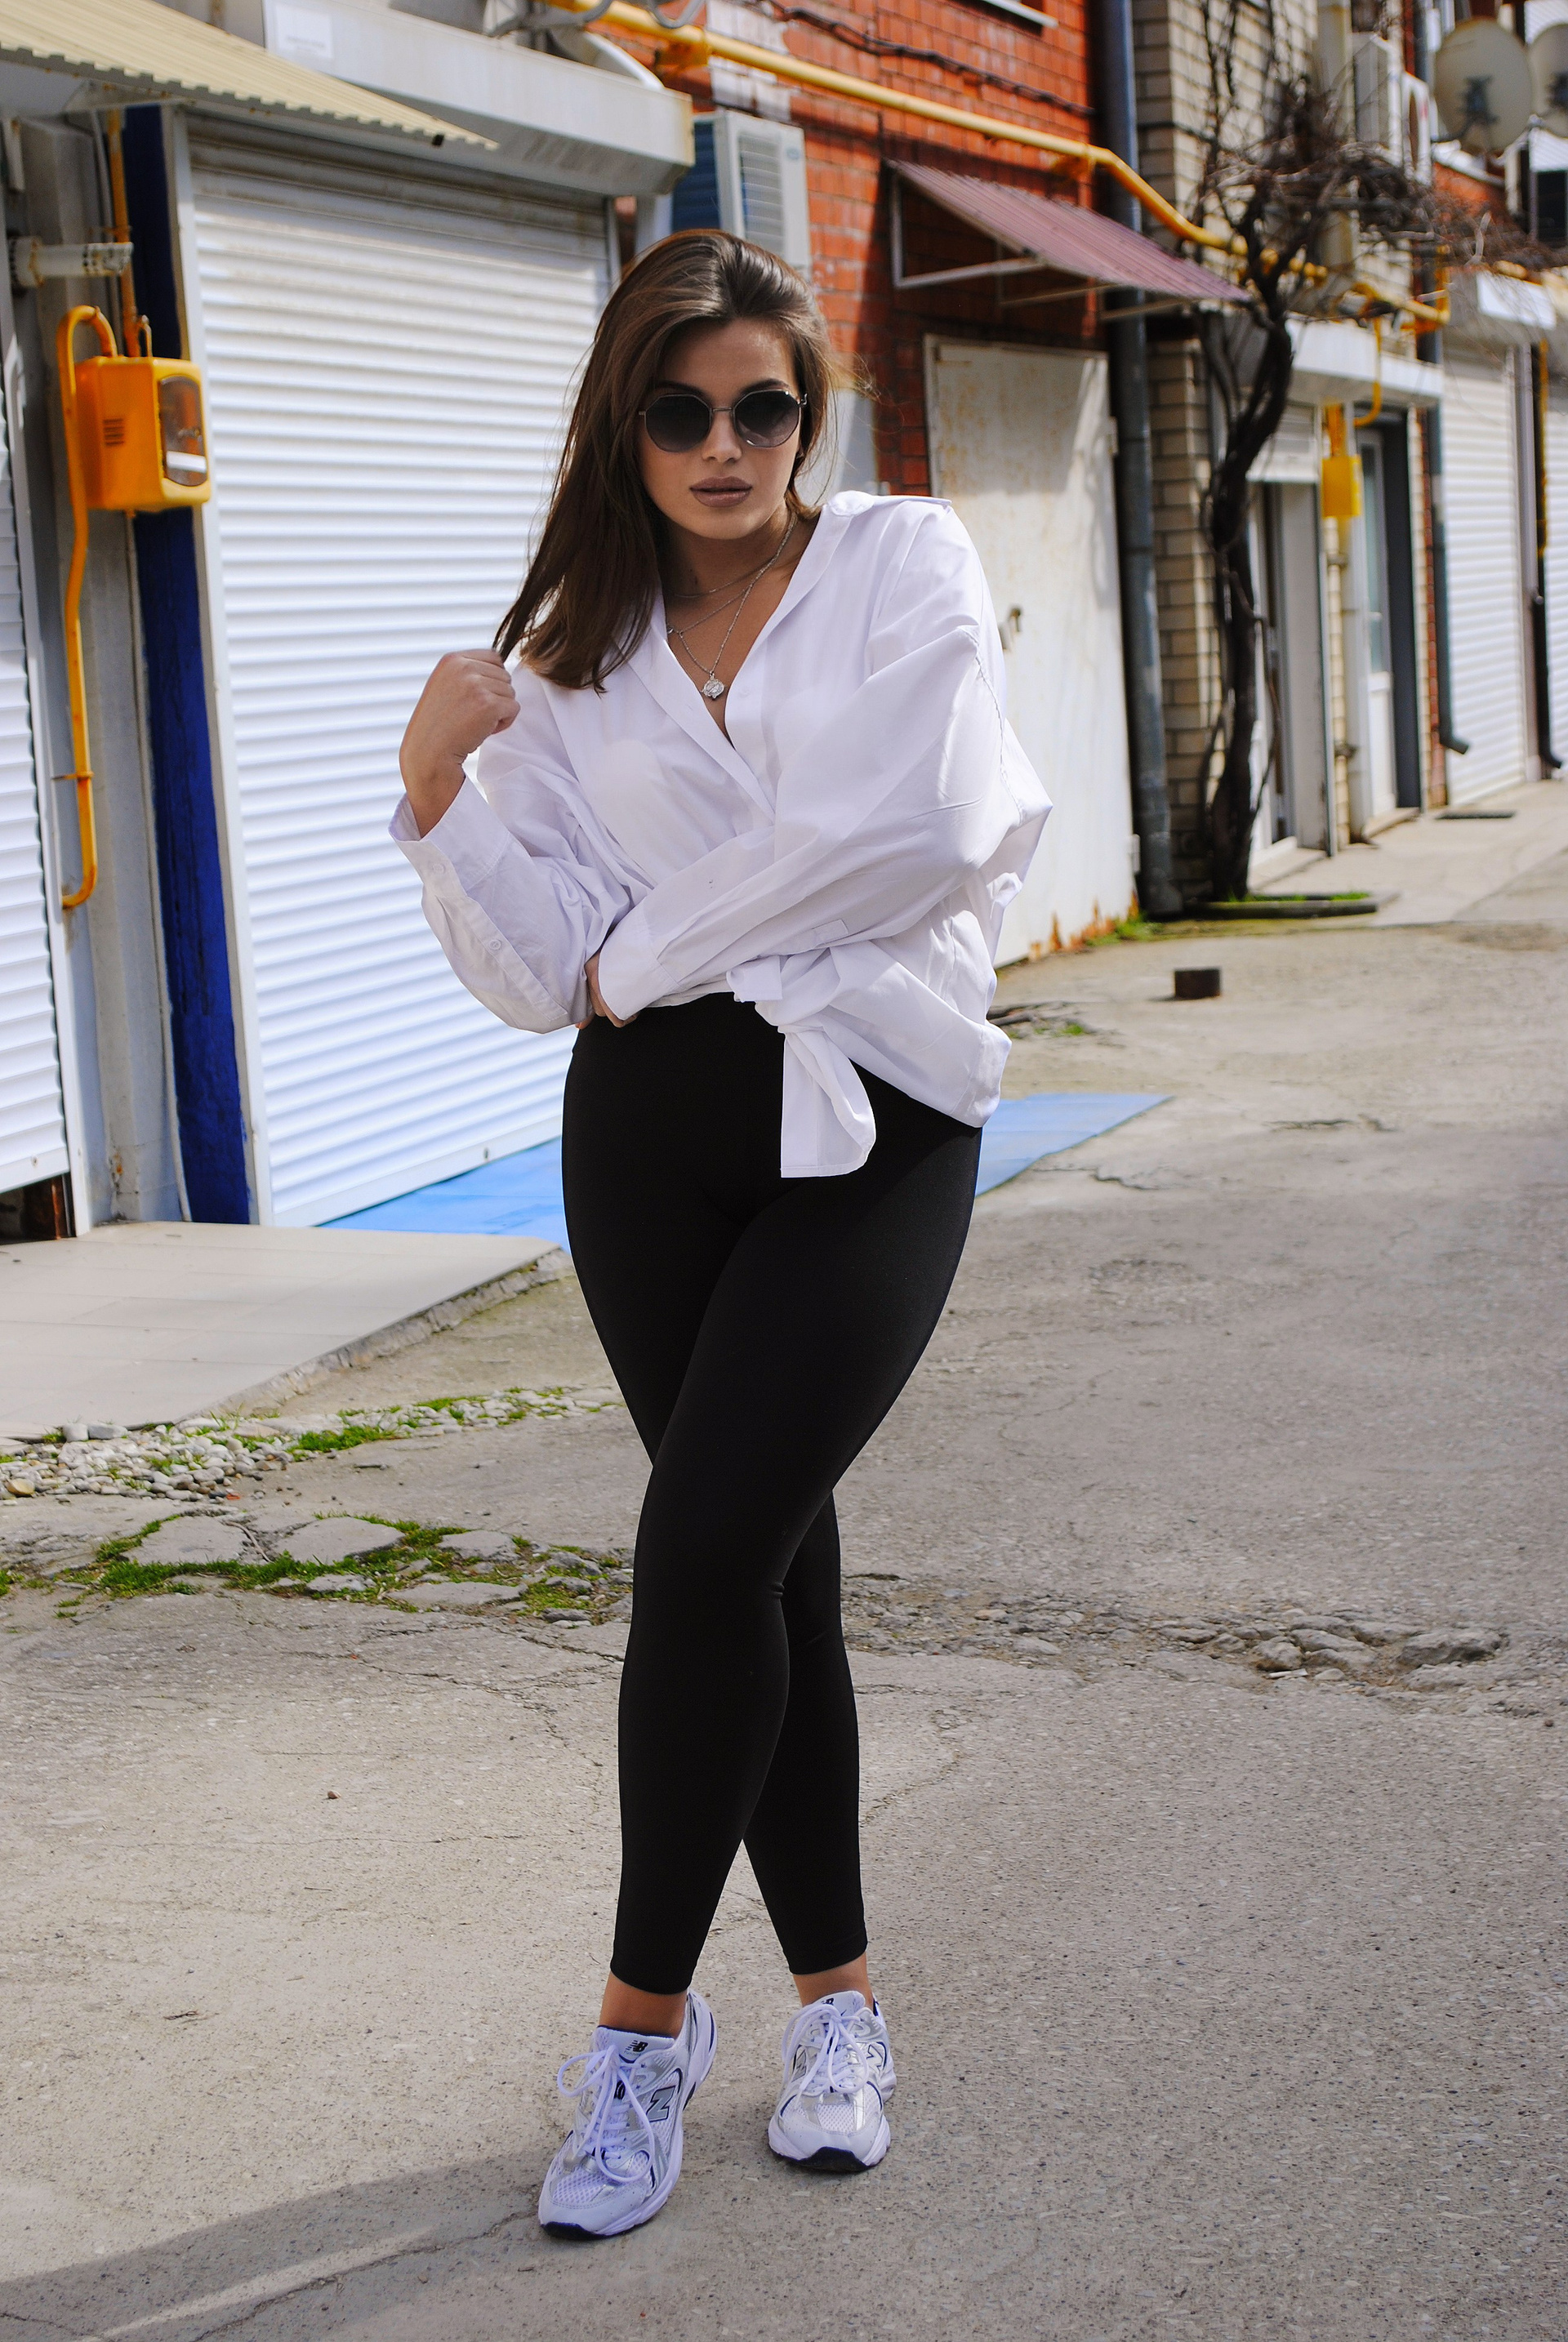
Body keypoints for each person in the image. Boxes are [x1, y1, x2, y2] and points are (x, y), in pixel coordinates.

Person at [394, 229, 1048, 2240]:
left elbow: (922, 832)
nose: (725, 443)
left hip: (878, 1118)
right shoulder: (571, 662)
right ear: (627, 425)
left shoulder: (902, 565)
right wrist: (439, 789)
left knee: (699, 1553)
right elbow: (542, 973)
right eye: (679, 410)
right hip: (652, 1143)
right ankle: (839, 2009)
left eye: (764, 404)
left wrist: (649, 946)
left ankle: (636, 2032)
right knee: (769, 1570)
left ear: (807, 411)